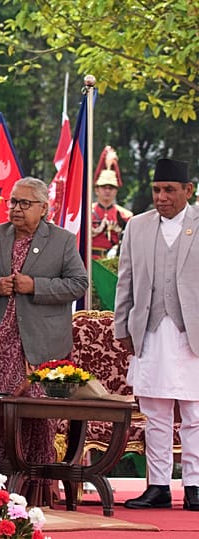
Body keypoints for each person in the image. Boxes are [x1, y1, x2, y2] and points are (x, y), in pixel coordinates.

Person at [0, 177, 88, 496]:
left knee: (37, 418)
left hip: (40, 349)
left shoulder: (63, 241)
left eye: (24, 203)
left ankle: (36, 488)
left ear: (44, 208)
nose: (15, 208)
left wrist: (37, 286)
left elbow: (78, 284)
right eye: (12, 202)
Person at [115, 158, 199, 511]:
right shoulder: (137, 226)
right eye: (156, 190)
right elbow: (126, 280)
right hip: (149, 333)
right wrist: (122, 327)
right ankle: (159, 485)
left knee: (195, 415)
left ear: (188, 191)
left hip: (192, 335)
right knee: (156, 414)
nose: (161, 197)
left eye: (169, 190)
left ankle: (194, 486)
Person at [92, 168, 133, 259]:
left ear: (116, 190)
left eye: (111, 188)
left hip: (115, 260)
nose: (107, 191)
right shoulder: (87, 213)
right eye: (104, 187)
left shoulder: (125, 216)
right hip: (90, 260)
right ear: (96, 190)